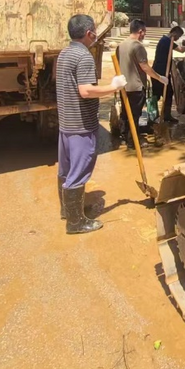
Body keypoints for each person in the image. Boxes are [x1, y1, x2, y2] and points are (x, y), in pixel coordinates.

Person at [56, 14, 127, 234]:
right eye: (94, 31)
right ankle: (76, 223)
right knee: (79, 170)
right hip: (81, 125)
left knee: (66, 170)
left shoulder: (64, 53)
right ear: (89, 33)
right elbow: (85, 90)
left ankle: (67, 210)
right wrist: (113, 87)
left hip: (66, 123)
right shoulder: (83, 56)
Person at [116, 19, 168, 146]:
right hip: (136, 86)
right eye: (144, 32)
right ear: (140, 31)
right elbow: (145, 67)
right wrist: (160, 78)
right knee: (135, 115)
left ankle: (125, 136)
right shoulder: (138, 46)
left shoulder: (121, 45)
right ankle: (133, 141)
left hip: (123, 86)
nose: (145, 34)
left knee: (125, 113)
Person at [151, 25, 185, 123]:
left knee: (157, 95)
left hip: (157, 71)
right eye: (178, 36)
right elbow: (182, 50)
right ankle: (162, 116)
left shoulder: (164, 39)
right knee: (166, 94)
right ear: (174, 33)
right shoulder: (167, 41)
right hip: (160, 73)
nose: (178, 38)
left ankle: (155, 116)